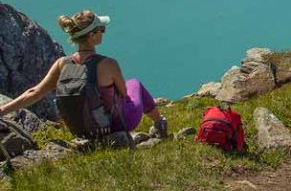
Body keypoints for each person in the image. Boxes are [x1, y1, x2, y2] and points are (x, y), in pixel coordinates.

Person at [0, 10, 168, 138]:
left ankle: (158, 124)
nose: (103, 31)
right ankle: (159, 124)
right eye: (101, 29)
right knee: (135, 83)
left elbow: (35, 92)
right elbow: (124, 95)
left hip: (82, 129)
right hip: (115, 125)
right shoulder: (108, 64)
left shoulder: (62, 64)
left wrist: (3, 110)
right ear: (92, 35)